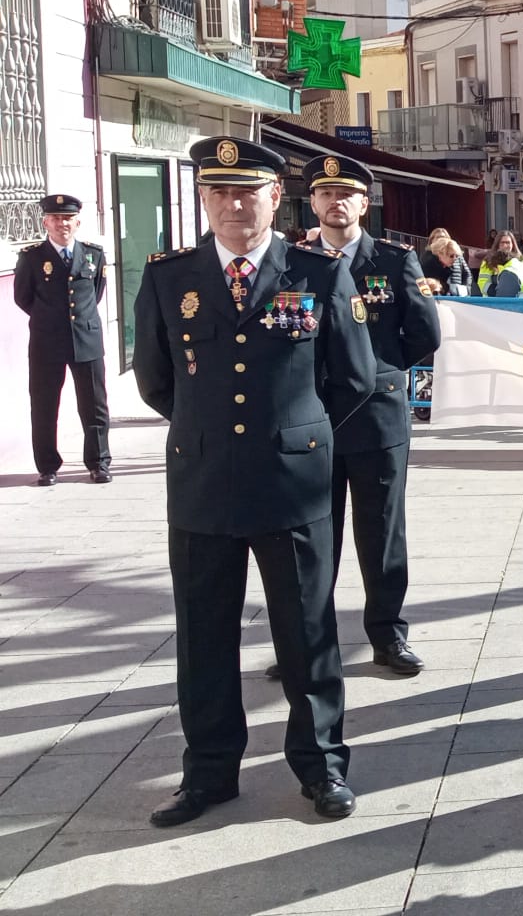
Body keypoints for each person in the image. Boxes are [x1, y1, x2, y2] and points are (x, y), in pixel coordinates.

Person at [132, 136, 376, 826]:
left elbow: (353, 379)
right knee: (203, 637)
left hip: (293, 485)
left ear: (277, 197)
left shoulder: (318, 273)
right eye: (220, 192)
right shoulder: (169, 277)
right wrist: (211, 431)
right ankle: (208, 773)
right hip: (203, 482)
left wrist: (298, 434)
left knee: (307, 633)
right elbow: (155, 380)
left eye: (249, 191)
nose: (234, 204)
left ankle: (322, 766)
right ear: (203, 199)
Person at [296, 153, 442, 675]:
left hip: (377, 418)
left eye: (347, 194)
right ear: (312, 201)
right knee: (313, 535)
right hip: (310, 419)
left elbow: (426, 334)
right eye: (326, 194)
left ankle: (387, 636)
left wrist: (379, 372)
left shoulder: (394, 259)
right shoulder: (293, 263)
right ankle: (309, 641)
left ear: (365, 202)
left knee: (381, 532)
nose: (336, 203)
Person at [14, 193, 112, 486]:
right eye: (56, 219)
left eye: (68, 218)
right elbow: (23, 297)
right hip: (47, 343)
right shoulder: (31, 257)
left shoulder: (94, 254)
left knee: (94, 405)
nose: (62, 224)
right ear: (45, 222)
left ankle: (98, 463)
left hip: (87, 340)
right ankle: (47, 466)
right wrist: (49, 321)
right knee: (44, 405)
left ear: (77, 222)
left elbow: (95, 293)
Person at [476, 232, 523, 299]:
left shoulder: (522, 260)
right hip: (492, 302)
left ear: (513, 244)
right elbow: (482, 283)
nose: (505, 245)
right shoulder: (488, 261)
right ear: (497, 244)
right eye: (502, 242)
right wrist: (498, 293)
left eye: (508, 242)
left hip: (518, 300)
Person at [420, 230, 471, 296]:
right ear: (440, 254)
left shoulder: (452, 256)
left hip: (456, 294)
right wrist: (450, 288)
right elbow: (426, 284)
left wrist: (466, 289)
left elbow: (467, 274)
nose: (455, 259)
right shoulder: (429, 262)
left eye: (457, 256)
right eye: (451, 256)